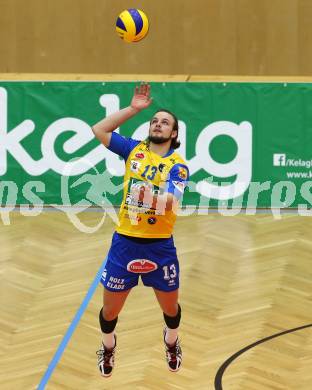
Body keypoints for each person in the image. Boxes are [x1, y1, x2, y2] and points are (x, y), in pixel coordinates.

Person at [92, 82, 189, 377]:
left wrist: (149, 198)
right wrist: (133, 109)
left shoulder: (178, 166)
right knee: (110, 311)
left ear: (173, 134)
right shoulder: (134, 150)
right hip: (125, 243)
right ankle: (108, 348)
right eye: (154, 120)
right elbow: (100, 130)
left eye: (165, 123)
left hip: (159, 245)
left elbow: (173, 201)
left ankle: (171, 342)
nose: (157, 124)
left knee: (171, 310)